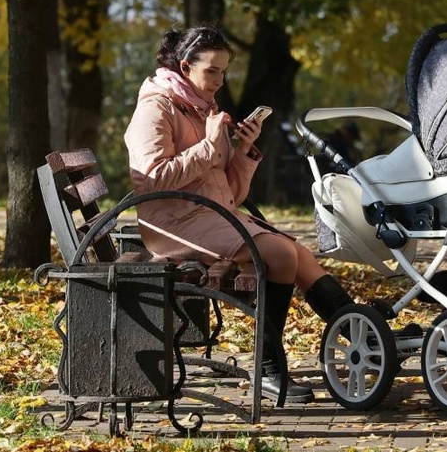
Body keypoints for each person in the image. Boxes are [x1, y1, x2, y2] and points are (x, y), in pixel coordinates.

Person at [124, 25, 355, 402]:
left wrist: (243, 152)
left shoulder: (200, 108)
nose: (219, 80)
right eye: (211, 71)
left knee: (301, 255)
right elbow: (152, 182)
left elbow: (230, 193)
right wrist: (210, 144)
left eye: (224, 71)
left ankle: (364, 333)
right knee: (279, 254)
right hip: (173, 226)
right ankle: (267, 368)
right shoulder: (156, 108)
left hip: (210, 216)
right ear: (185, 67)